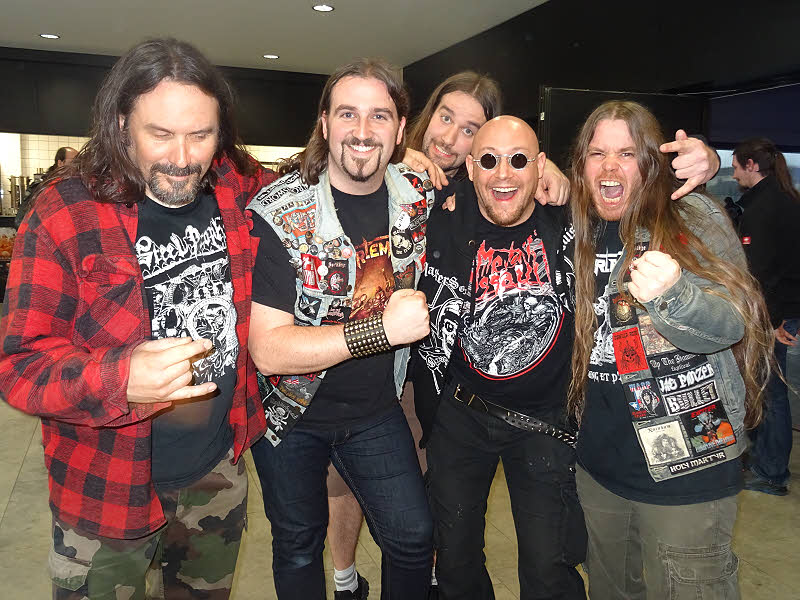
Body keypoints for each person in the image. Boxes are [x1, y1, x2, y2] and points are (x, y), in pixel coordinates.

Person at [0, 38, 272, 598]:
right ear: (122, 124)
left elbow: (308, 182)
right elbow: (20, 366)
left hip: (215, 474)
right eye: (161, 134)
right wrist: (119, 378)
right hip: (104, 485)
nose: (183, 157)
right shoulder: (64, 212)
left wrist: (404, 161)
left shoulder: (232, 184)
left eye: (201, 135)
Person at [568, 101, 774, 598]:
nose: (610, 166)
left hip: (690, 468)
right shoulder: (574, 226)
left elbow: (733, 320)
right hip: (598, 465)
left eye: (626, 153)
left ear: (650, 162)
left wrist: (674, 296)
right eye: (597, 153)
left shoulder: (692, 215)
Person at [247, 58, 435, 600]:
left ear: (400, 130)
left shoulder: (417, 194)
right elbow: (269, 350)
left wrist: (548, 174)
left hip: (374, 411)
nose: (362, 130)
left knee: (413, 538)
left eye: (380, 116)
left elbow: (496, 181)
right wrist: (380, 331)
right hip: (291, 416)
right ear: (325, 123)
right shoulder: (279, 213)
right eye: (348, 114)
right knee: (298, 545)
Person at [412, 115, 586, 600]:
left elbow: (638, 198)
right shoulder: (439, 217)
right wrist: (403, 153)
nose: (503, 174)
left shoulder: (571, 222)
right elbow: (367, 171)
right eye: (488, 160)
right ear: (470, 168)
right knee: (455, 559)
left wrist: (697, 167)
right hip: (461, 415)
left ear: (541, 166)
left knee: (549, 566)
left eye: (518, 160)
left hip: (545, 420)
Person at [732, 137, 800, 495]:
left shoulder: (765, 207)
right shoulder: (783, 199)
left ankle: (771, 472)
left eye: (736, 166)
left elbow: (762, 272)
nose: (733, 174)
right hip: (781, 309)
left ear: (752, 166)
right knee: (763, 388)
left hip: (774, 314)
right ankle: (762, 460)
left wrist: (770, 322)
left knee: (770, 391)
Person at [16, 146, 78, 226]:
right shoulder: (41, 187)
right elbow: (20, 221)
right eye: (74, 162)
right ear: (60, 163)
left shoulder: (75, 188)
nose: (78, 166)